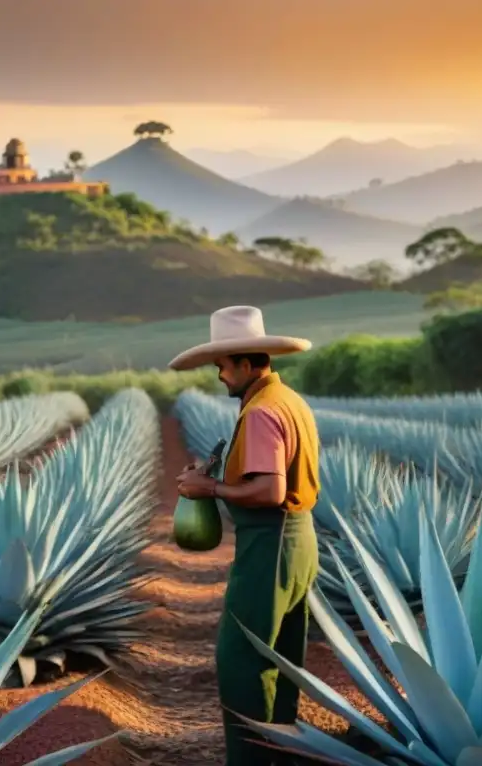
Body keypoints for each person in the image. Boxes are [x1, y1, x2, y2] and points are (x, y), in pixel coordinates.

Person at [169, 305, 321, 766]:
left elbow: (271, 489)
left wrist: (207, 488)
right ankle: (284, 751)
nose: (220, 375)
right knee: (283, 653)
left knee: (241, 657)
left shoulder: (259, 413)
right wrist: (215, 474)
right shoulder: (288, 400)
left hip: (270, 543)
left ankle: (253, 759)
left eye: (223, 366)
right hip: (298, 542)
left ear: (247, 362)